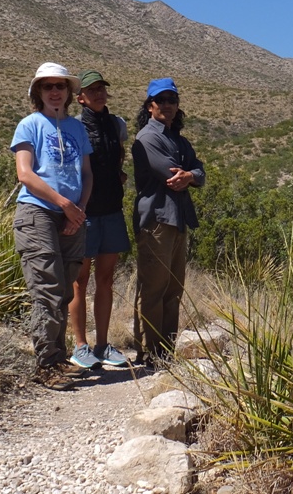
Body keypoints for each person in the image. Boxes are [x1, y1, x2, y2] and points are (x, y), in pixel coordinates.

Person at [11, 62, 93, 391]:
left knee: (64, 287)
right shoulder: (30, 125)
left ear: (69, 93)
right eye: (48, 86)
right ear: (38, 92)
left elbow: (87, 174)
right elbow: (26, 174)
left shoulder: (77, 128)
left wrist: (80, 211)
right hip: (38, 212)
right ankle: (46, 364)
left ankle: (59, 358)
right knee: (47, 290)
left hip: (73, 215)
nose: (55, 91)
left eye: (60, 85)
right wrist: (64, 205)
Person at [131, 77, 205, 367]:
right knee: (154, 288)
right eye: (160, 100)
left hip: (178, 219)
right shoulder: (148, 138)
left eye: (171, 100)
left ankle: (165, 350)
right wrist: (190, 175)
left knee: (173, 289)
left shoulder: (179, 140)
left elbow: (198, 172)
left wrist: (191, 175)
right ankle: (149, 351)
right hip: (156, 220)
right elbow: (172, 174)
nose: (166, 105)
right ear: (150, 106)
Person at [67, 69, 131, 370]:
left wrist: (119, 174)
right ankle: (80, 346)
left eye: (102, 89)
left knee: (106, 279)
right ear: (80, 98)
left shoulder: (117, 124)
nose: (99, 94)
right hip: (85, 213)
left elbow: (118, 157)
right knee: (79, 281)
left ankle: (104, 345)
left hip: (112, 210)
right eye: (92, 90)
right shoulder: (76, 127)